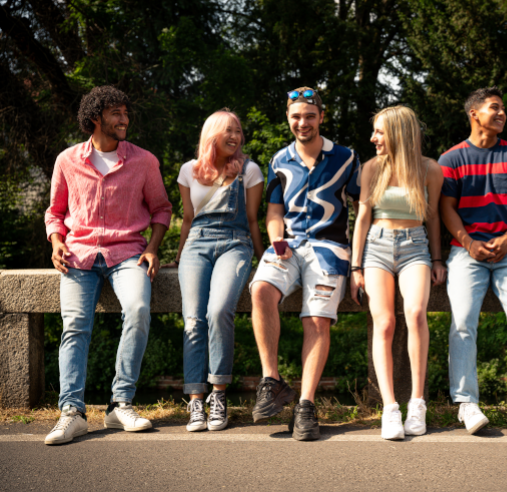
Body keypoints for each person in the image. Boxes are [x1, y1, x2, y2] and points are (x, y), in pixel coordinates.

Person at [43, 86, 172, 445]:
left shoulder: (144, 161)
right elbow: (54, 213)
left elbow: (162, 209)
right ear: (95, 117)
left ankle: (120, 405)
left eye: (126, 113)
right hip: (78, 255)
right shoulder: (67, 160)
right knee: (75, 325)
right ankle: (72, 412)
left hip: (128, 254)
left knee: (139, 309)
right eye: (117, 113)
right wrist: (56, 242)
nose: (125, 119)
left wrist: (153, 247)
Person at [249, 87, 361, 441]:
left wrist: (360, 264)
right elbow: (273, 211)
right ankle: (273, 381)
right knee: (261, 289)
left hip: (330, 249)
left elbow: (364, 208)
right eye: (296, 116)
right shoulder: (279, 160)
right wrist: (274, 236)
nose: (303, 122)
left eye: (310, 116)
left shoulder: (346, 157)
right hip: (288, 246)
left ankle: (306, 405)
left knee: (316, 319)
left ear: (321, 118)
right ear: (288, 118)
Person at [439, 87, 507, 435]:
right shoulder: (451, 159)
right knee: (463, 324)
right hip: (466, 251)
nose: (501, 114)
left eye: (503, 109)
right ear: (474, 114)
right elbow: (446, 209)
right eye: (494, 108)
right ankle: (466, 403)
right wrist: (467, 242)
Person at [349, 106, 446, 440]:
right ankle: (390, 408)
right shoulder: (371, 168)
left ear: (399, 133)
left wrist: (437, 259)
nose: (373, 138)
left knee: (417, 312)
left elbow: (432, 218)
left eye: (379, 131)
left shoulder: (430, 170)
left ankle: (417, 403)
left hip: (415, 246)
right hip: (376, 246)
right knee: (385, 322)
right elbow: (362, 217)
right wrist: (355, 265)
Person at [169, 110, 265, 432]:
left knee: (219, 310)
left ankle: (218, 395)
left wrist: (264, 256)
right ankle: (196, 400)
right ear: (212, 134)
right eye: (228, 130)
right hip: (196, 244)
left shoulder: (249, 171)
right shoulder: (188, 171)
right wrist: (179, 253)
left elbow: (252, 220)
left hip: (235, 243)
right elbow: (187, 218)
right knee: (193, 318)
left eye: (238, 131)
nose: (235, 136)